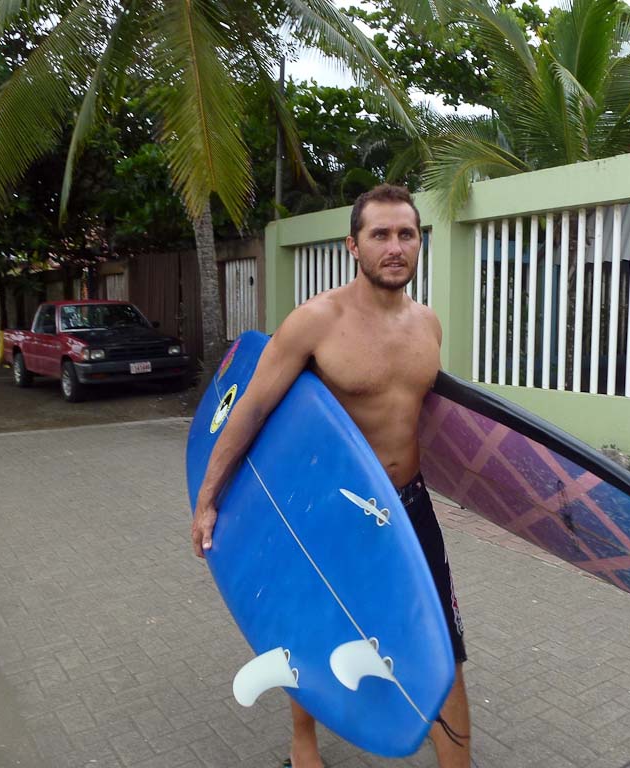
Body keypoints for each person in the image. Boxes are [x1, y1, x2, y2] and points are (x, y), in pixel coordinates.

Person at [190, 184, 470, 768]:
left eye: (406, 234)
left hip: (408, 507)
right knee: (318, 626)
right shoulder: (315, 322)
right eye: (381, 235)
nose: (395, 247)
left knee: (441, 639)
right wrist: (208, 500)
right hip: (331, 509)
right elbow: (253, 411)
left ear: (419, 243)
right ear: (353, 245)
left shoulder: (429, 326)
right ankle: (303, 745)